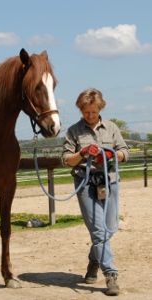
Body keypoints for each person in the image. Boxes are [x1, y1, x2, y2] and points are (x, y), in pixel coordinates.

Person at [61, 88, 129, 296]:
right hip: (85, 183)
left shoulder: (112, 128)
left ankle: (94, 260)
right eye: (85, 112)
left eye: (93, 112)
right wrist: (82, 153)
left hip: (109, 182)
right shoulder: (73, 131)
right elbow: (65, 160)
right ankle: (110, 274)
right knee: (99, 231)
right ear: (81, 110)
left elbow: (125, 152)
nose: (89, 116)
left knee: (108, 229)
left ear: (100, 108)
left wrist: (109, 155)